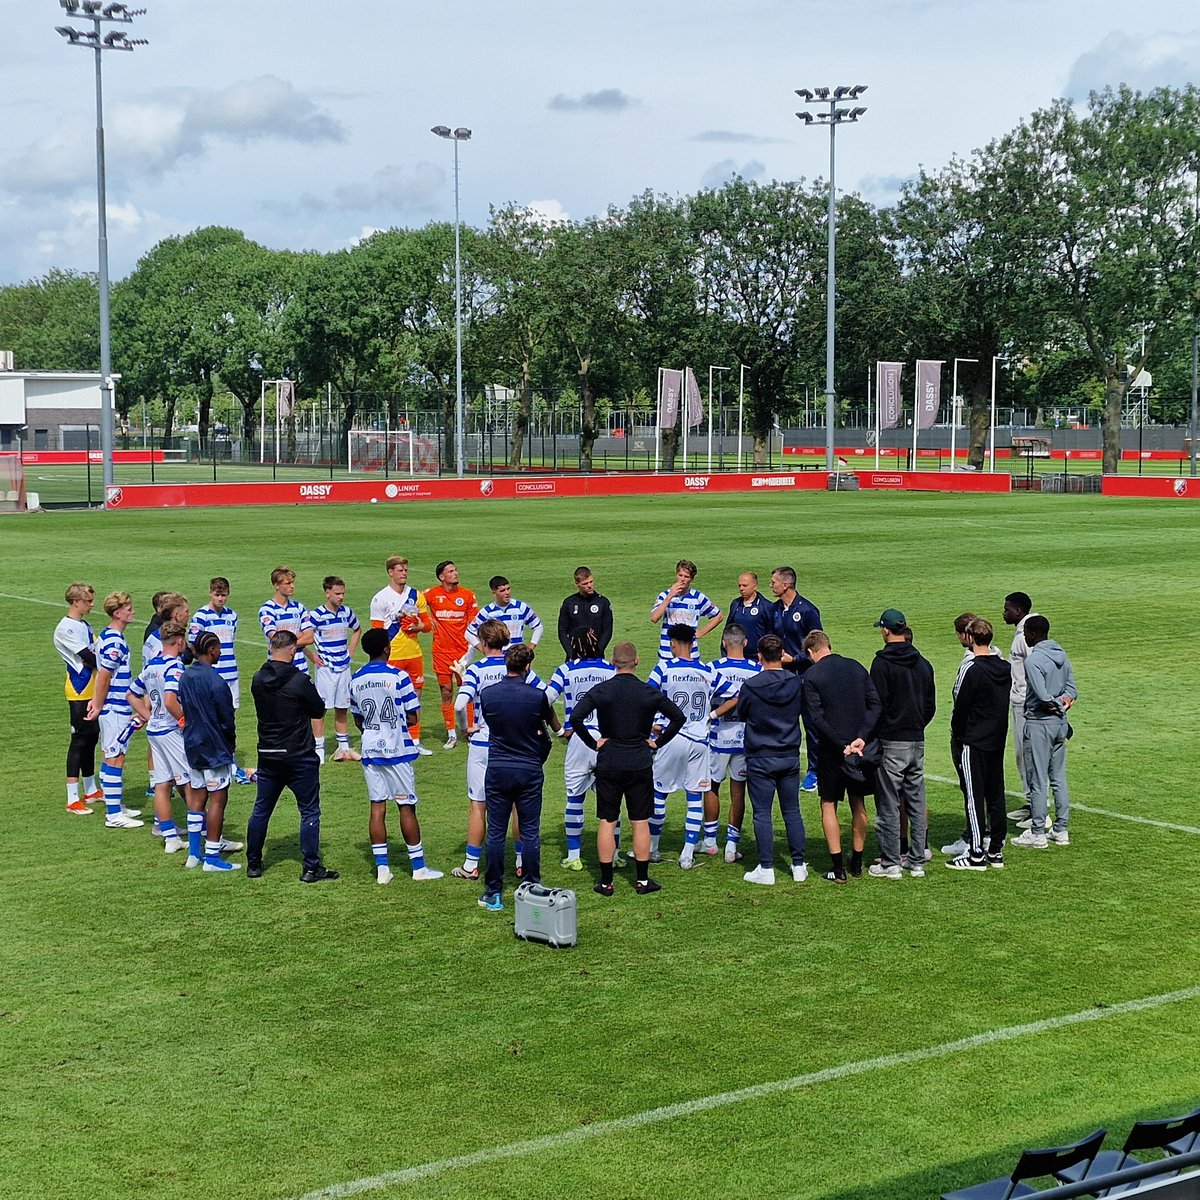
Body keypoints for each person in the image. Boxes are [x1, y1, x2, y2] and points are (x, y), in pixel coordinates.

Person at [570, 642, 685, 897]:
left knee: (607, 820)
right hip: (639, 760)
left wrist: (593, 742)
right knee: (640, 820)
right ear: (637, 661)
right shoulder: (647, 691)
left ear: (613, 662)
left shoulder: (601, 690)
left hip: (609, 759)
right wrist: (657, 741)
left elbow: (576, 717)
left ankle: (606, 882)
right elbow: (678, 717)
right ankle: (642, 881)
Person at [350, 628, 444, 885]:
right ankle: (418, 868)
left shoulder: (356, 678)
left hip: (370, 750)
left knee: (377, 807)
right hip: (398, 751)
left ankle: (382, 870)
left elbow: (358, 718)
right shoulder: (399, 676)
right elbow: (413, 716)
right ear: (387, 649)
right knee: (406, 806)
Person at [246, 629, 337, 883]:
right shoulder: (298, 680)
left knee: (261, 809)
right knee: (309, 811)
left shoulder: (257, 678)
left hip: (268, 753)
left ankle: (253, 863)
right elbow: (318, 709)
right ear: (292, 650)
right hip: (298, 754)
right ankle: (310, 868)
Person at [476, 644, 560, 912]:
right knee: (530, 830)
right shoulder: (538, 697)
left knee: (496, 832)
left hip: (498, 767)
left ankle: (494, 892)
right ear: (527, 667)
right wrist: (537, 759)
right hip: (529, 768)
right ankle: (532, 886)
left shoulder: (488, 695)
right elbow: (547, 734)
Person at [646, 624, 733, 868]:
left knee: (659, 794)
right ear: (693, 643)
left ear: (673, 643)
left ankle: (653, 848)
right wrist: (713, 715)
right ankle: (687, 854)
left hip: (670, 739)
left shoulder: (664, 668)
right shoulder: (707, 671)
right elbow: (737, 695)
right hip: (700, 741)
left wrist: (653, 723)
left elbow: (646, 695)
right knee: (695, 796)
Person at [801, 630, 881, 883]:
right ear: (829, 646)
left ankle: (838, 869)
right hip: (860, 749)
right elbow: (875, 704)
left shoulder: (812, 675)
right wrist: (861, 738)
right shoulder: (856, 667)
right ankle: (857, 861)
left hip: (831, 751)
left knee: (828, 804)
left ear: (810, 652)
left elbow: (817, 718)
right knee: (859, 803)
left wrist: (840, 744)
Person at [735, 633, 809, 886]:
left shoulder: (751, 686)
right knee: (792, 811)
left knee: (762, 813)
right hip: (788, 754)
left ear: (759, 657)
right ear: (782, 655)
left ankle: (766, 867)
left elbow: (741, 712)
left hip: (760, 756)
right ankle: (798, 865)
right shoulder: (795, 683)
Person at [868, 609, 936, 880]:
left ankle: (890, 862)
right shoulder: (923, 663)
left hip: (891, 740)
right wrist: (917, 725)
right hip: (917, 739)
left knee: (889, 803)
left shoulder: (881, 664)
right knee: (916, 802)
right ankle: (916, 860)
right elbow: (929, 705)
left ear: (886, 630)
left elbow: (877, 705)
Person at [543, 629, 616, 871]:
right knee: (611, 799)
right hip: (608, 740)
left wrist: (559, 730)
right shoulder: (610, 669)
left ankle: (574, 856)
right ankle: (613, 855)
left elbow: (544, 701)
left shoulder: (566, 670)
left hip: (579, 740)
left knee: (575, 797)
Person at [451, 619, 517, 881]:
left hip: (482, 744)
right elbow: (544, 694)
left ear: (484, 642)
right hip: (511, 744)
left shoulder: (476, 670)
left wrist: (466, 728)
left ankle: (471, 864)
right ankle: (522, 861)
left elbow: (458, 705)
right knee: (515, 805)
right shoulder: (515, 665)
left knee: (479, 805)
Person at [946, 617, 1011, 872]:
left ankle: (975, 853)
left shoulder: (970, 668)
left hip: (973, 740)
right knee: (996, 794)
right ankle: (995, 849)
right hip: (996, 739)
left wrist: (959, 733)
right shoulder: (1004, 667)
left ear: (970, 638)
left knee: (974, 798)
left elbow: (960, 703)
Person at [178, 630, 243, 872]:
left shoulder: (185, 677)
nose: (221, 652)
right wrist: (231, 744)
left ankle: (194, 854)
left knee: (197, 798)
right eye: (219, 648)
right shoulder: (217, 681)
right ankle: (213, 857)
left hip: (192, 744)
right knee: (218, 800)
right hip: (214, 747)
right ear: (213, 649)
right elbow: (227, 720)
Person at [1013, 615, 1077, 850]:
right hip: (1061, 723)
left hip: (1040, 724)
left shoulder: (1034, 661)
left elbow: (1041, 695)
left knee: (1038, 778)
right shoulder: (1062, 654)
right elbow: (1072, 689)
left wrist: (1055, 704)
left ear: (1031, 633)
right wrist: (1064, 703)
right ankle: (1061, 829)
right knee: (1058, 778)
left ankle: (1038, 832)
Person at [127, 621, 191, 855]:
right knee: (188, 782)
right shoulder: (175, 667)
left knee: (162, 785)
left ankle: (170, 837)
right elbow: (170, 701)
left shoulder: (152, 665)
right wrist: (184, 721)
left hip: (154, 730)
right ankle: (205, 831)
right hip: (171, 731)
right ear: (180, 641)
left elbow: (131, 694)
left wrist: (148, 716)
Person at [85, 591, 144, 829]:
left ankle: (116, 805)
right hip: (114, 708)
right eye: (128, 608)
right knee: (115, 757)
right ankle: (113, 815)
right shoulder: (114, 641)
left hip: (116, 707)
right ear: (117, 613)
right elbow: (104, 676)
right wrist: (98, 704)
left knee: (114, 754)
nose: (132, 612)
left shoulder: (110, 636)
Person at [705, 624, 760, 862]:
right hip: (745, 738)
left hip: (718, 737)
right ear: (745, 643)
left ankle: (709, 841)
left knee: (712, 786)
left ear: (724, 643)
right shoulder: (756, 669)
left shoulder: (712, 668)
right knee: (738, 791)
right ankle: (731, 845)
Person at [370, 555, 433, 755]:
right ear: (390, 572)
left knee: (415, 697)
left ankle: (414, 740)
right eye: (400, 570)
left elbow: (428, 625)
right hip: (393, 655)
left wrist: (417, 626)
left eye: (406, 570)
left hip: (414, 654)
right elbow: (377, 632)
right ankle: (392, 738)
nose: (404, 573)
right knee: (391, 699)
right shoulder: (380, 598)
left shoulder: (416, 595)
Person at [768, 566, 823, 790]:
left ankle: (814, 771)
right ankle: (784, 768)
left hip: (804, 675)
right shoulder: (774, 609)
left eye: (774, 582)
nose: (771, 585)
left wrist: (796, 659)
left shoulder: (808, 610)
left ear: (786, 584)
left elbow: (819, 647)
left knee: (810, 724)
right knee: (783, 723)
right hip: (781, 676)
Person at [54, 581, 101, 815]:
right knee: (79, 740)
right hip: (80, 689)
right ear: (76, 602)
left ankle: (91, 789)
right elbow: (89, 657)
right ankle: (72, 798)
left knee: (92, 737)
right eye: (88, 601)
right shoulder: (67, 628)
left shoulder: (84, 624)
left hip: (93, 688)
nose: (92, 605)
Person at [424, 560, 479, 750]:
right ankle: (451, 734)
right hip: (441, 652)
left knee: (468, 691)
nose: (455, 573)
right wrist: (423, 619)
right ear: (442, 577)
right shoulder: (432, 594)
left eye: (455, 570)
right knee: (446, 691)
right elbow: (414, 602)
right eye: (450, 571)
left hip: (463, 653)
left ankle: (471, 730)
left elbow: (474, 626)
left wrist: (470, 653)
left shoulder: (468, 596)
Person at [309, 575, 362, 764]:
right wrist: (311, 656)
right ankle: (318, 750)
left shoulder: (347, 612)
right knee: (320, 709)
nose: (341, 597)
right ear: (327, 592)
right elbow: (300, 636)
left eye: (343, 593)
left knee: (342, 707)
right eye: (337, 593)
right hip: (326, 670)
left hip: (343, 667)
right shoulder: (316, 615)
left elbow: (357, 629)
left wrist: (351, 650)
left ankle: (344, 748)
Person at [1002, 591, 1040, 826]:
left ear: (1018, 610)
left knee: (1028, 755)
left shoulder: (1026, 636)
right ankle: (1030, 803)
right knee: (1021, 755)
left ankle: (1038, 811)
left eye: (1007, 609)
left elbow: (1036, 668)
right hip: (1020, 701)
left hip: (1026, 704)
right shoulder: (1022, 633)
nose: (1004, 612)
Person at [649, 559, 723, 662]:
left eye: (686, 576)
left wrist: (701, 632)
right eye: (680, 575)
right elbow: (654, 618)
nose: (682, 579)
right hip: (667, 654)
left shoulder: (698, 598)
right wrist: (669, 597)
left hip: (691, 654)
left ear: (691, 579)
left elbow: (718, 616)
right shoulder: (664, 596)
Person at [188, 577, 240, 706]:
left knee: (231, 712)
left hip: (231, 672)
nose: (220, 599)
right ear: (210, 593)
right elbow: (192, 645)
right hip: (212, 673)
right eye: (217, 595)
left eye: (223, 595)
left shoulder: (232, 616)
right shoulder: (201, 616)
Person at [466, 576, 544, 654]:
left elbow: (538, 627)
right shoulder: (487, 612)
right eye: (502, 590)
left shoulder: (521, 607)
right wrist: (484, 651)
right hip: (498, 658)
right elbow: (469, 633)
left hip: (517, 658)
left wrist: (530, 647)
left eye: (508, 589)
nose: (507, 593)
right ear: (494, 593)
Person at [557, 566, 614, 659]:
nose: (590, 585)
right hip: (574, 657)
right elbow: (562, 631)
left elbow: (607, 630)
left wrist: (597, 652)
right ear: (577, 584)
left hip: (597, 656)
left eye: (591, 581)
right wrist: (571, 654)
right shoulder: (569, 603)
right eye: (585, 583)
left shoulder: (603, 602)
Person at [724, 572, 773, 660]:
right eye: (739, 586)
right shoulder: (735, 604)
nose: (741, 589)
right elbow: (728, 629)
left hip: (757, 658)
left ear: (755, 586)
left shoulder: (766, 606)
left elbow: (771, 633)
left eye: (745, 585)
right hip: (736, 656)